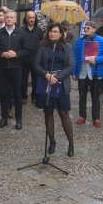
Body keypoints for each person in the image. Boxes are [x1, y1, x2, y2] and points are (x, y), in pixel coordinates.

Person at [33, 23, 75, 157]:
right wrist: (46, 74)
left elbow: (71, 66)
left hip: (61, 83)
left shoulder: (67, 47)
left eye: (56, 31)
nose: (53, 34)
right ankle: (52, 142)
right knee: (48, 113)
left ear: (61, 33)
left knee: (64, 113)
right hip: (46, 82)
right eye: (51, 31)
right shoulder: (43, 46)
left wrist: (57, 77)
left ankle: (71, 143)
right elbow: (36, 64)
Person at [0, 10, 28, 129]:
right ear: (4, 19)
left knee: (17, 94)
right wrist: (1, 54)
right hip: (2, 68)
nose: (9, 19)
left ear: (15, 19)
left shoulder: (21, 32)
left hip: (17, 68)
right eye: (7, 17)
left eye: (11, 17)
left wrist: (16, 54)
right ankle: (4, 118)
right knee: (4, 94)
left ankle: (19, 120)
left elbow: (27, 50)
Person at [72, 20, 103, 128]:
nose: (85, 30)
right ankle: (82, 115)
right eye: (85, 28)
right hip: (82, 73)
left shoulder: (102, 41)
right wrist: (74, 72)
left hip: (95, 72)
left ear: (94, 29)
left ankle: (96, 117)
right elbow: (75, 57)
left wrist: (97, 60)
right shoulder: (79, 41)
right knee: (82, 96)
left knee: (95, 97)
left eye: (88, 28)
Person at [21, 11, 44, 103]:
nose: (31, 19)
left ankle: (34, 96)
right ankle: (23, 96)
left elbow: (42, 45)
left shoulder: (39, 31)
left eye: (33, 18)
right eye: (29, 18)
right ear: (26, 19)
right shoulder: (21, 30)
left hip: (36, 60)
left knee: (36, 80)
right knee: (23, 80)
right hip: (24, 60)